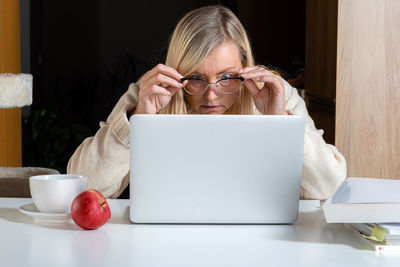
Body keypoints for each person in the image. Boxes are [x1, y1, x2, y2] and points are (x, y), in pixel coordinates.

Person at [67, 5, 346, 200]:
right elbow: (83, 187)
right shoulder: (149, 94)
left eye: (226, 77)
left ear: (246, 66)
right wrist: (138, 119)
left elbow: (328, 188)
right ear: (178, 71)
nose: (211, 95)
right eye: (197, 78)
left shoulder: (275, 94)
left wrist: (282, 124)